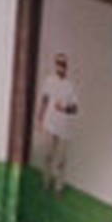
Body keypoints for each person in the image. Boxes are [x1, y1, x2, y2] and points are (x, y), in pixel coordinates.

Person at [35, 52, 80, 194]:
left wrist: (64, 108)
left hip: (64, 129)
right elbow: (44, 100)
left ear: (67, 66)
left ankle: (59, 187)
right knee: (47, 155)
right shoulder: (49, 81)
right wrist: (40, 119)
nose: (61, 66)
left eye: (63, 64)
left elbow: (75, 108)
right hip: (50, 125)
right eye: (59, 63)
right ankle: (46, 182)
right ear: (55, 65)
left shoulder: (69, 86)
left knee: (61, 160)